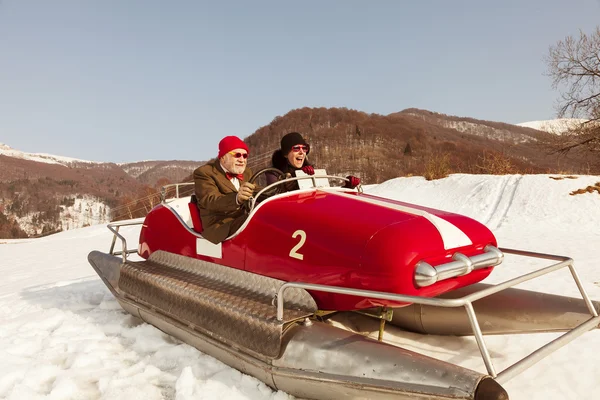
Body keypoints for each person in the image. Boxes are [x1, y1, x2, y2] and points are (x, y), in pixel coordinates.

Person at [193, 136, 256, 244]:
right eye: (237, 155)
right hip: (220, 225)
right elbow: (210, 200)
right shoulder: (205, 173)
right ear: (223, 157)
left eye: (245, 156)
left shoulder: (246, 172)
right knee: (258, 221)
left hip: (242, 217)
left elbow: (256, 189)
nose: (242, 159)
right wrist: (236, 198)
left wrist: (282, 186)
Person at [267, 131, 361, 190]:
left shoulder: (310, 171)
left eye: (304, 148)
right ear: (285, 154)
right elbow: (274, 195)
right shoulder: (274, 173)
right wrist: (296, 180)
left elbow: (324, 194)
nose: (301, 152)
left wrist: (347, 187)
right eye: (296, 148)